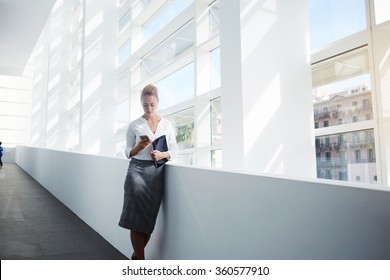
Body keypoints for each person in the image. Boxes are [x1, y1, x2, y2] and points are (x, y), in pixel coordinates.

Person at [118, 84, 178, 260]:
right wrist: (137, 147)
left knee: (147, 220)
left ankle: (136, 257)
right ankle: (141, 262)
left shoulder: (166, 125)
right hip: (136, 171)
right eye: (145, 105)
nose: (149, 108)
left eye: (152, 104)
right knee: (135, 220)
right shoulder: (134, 125)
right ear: (141, 103)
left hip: (156, 174)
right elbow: (127, 152)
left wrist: (162, 154)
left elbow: (174, 150)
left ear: (158, 102)